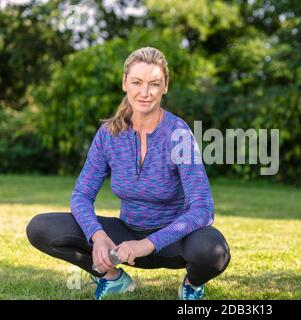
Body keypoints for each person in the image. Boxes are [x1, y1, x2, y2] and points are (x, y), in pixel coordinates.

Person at [26, 47, 231, 300]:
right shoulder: (109, 135)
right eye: (137, 82)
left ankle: (191, 285)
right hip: (124, 239)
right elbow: (81, 194)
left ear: (165, 86)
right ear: (125, 83)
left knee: (213, 250)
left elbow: (203, 208)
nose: (145, 93)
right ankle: (113, 280)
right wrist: (97, 235)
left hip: (174, 242)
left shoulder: (178, 134)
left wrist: (147, 244)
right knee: (41, 227)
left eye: (154, 84)